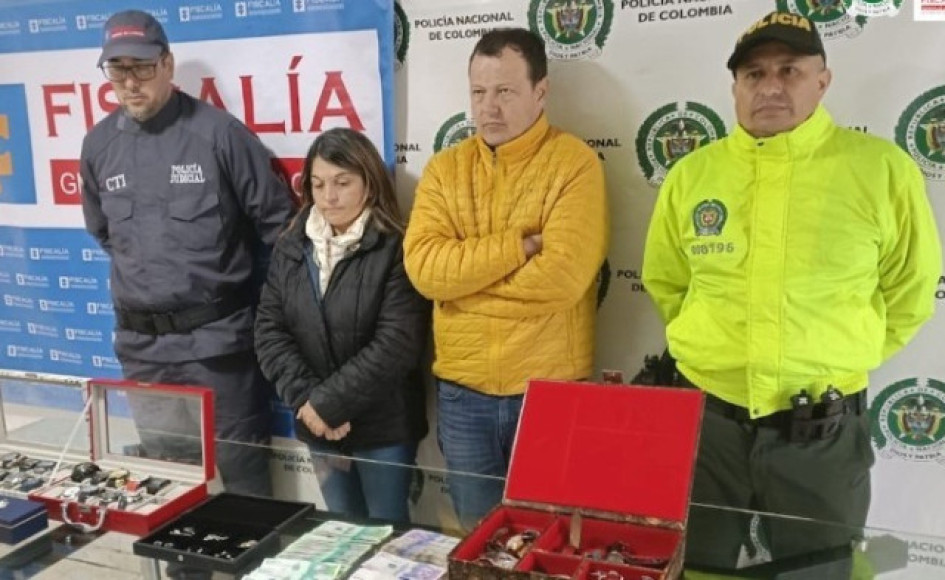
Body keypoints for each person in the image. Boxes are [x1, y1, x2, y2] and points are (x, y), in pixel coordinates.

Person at [642, 10, 941, 570]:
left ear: (822, 81)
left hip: (824, 436)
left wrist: (840, 354)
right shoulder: (692, 176)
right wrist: (715, 351)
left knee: (818, 573)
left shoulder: (881, 170)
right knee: (693, 567)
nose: (771, 86)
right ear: (735, 87)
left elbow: (911, 288)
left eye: (789, 70)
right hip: (707, 430)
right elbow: (668, 282)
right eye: (754, 74)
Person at [80, 9, 294, 497]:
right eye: (118, 70)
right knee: (166, 485)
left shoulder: (220, 135)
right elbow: (105, 233)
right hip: (143, 353)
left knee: (243, 483)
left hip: (216, 349)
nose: (130, 82)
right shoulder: (98, 146)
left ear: (168, 64)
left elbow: (281, 230)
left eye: (142, 67)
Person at [403, 28, 609, 530]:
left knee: (547, 539)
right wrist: (520, 247)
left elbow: (561, 278)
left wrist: (464, 291)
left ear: (541, 92)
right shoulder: (444, 170)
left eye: (505, 91)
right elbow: (425, 271)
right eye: (478, 92)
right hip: (463, 394)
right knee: (479, 537)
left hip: (549, 393)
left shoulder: (574, 164)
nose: (488, 108)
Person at [255, 128, 430, 522]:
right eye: (318, 185)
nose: (328, 197)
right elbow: (269, 330)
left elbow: (397, 343)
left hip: (383, 429)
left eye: (342, 183)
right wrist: (309, 401)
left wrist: (328, 404)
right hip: (317, 424)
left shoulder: (396, 247)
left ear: (369, 183)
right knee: (340, 530)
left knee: (388, 536)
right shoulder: (291, 244)